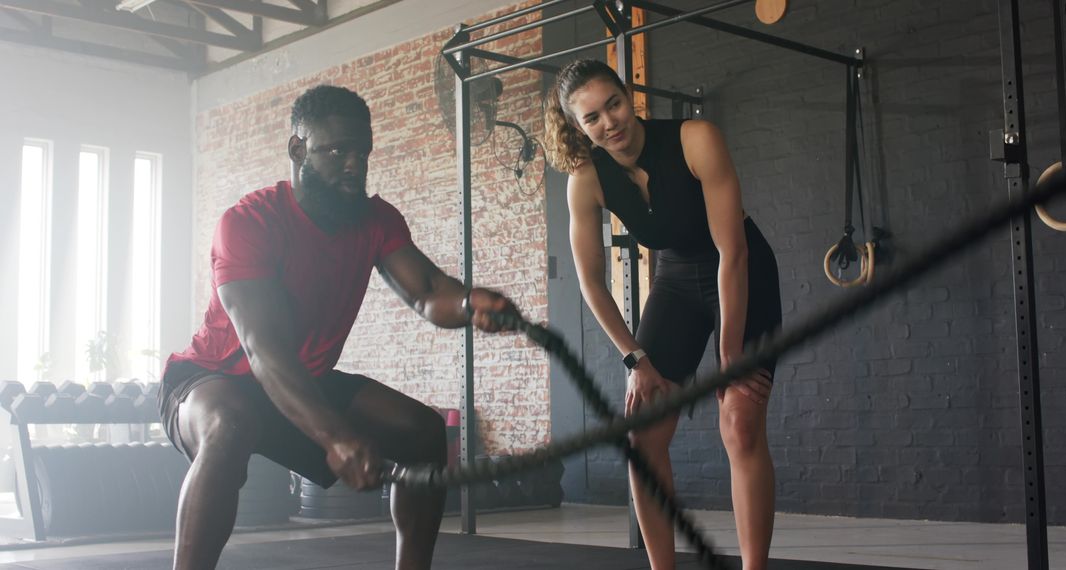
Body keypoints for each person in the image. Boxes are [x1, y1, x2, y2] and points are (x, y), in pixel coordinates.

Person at [158, 84, 518, 570]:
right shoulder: (248, 223)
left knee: (423, 431)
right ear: (296, 148)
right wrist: (335, 437)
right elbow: (264, 350)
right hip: (213, 379)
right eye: (336, 150)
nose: (354, 164)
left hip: (302, 378)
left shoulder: (375, 219)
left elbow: (429, 291)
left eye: (362, 151)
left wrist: (472, 302)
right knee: (230, 423)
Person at [544, 59, 782, 570]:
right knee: (642, 433)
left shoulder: (696, 138)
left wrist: (730, 354)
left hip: (740, 268)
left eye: (614, 103)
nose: (610, 122)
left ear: (629, 98)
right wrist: (636, 358)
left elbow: (732, 253)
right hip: (675, 280)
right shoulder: (585, 180)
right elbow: (589, 279)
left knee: (739, 420)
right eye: (592, 117)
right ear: (577, 126)